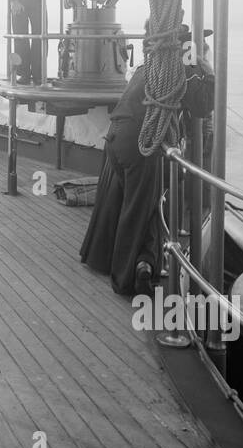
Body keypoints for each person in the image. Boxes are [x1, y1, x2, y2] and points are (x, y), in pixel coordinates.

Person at [79, 25, 214, 294]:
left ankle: (104, 258)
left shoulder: (147, 66)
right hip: (142, 142)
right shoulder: (180, 70)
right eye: (201, 49)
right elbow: (203, 104)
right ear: (188, 50)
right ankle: (126, 280)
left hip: (117, 135)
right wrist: (207, 70)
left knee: (118, 203)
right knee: (138, 212)